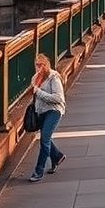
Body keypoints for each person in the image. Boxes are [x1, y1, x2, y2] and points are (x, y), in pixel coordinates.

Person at [29, 53, 66, 182]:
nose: (39, 68)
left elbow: (58, 98)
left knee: (44, 139)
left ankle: (38, 171)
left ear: (46, 65)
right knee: (47, 138)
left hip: (54, 110)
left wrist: (39, 92)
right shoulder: (35, 78)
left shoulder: (53, 78)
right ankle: (57, 157)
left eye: (41, 65)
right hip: (42, 111)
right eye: (37, 65)